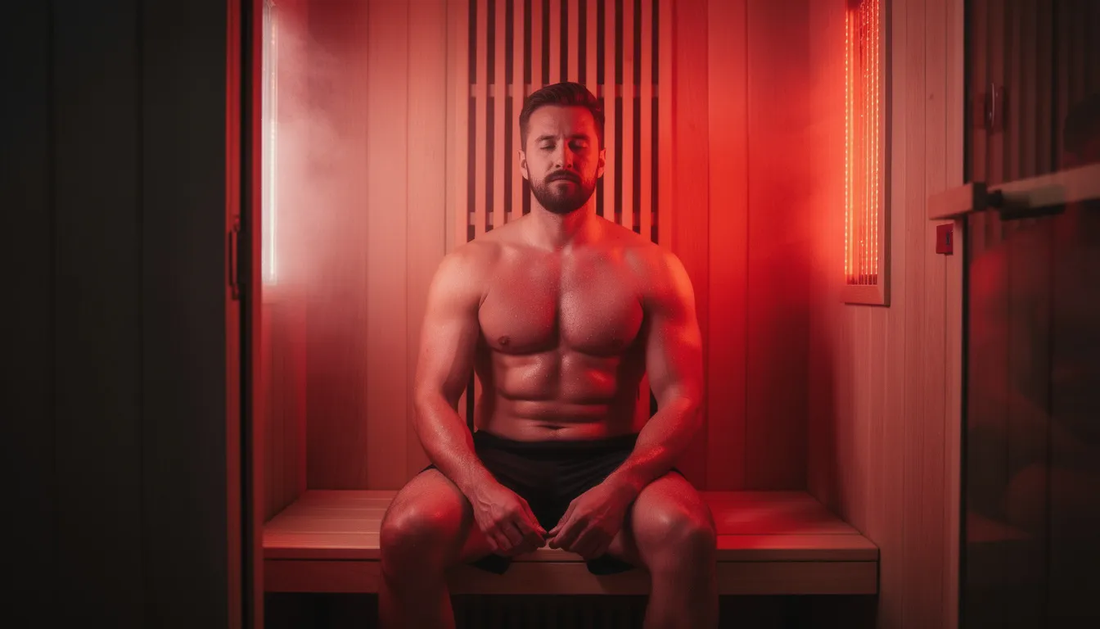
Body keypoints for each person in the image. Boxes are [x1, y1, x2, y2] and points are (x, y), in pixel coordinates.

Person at [378, 82, 718, 628]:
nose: (564, 156)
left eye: (579, 143)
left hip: (615, 461)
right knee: (405, 533)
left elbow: (683, 399)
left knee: (690, 535)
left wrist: (622, 486)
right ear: (523, 160)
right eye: (547, 144)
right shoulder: (471, 265)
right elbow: (432, 397)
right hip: (498, 461)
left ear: (601, 158)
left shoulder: (652, 267)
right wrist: (480, 488)